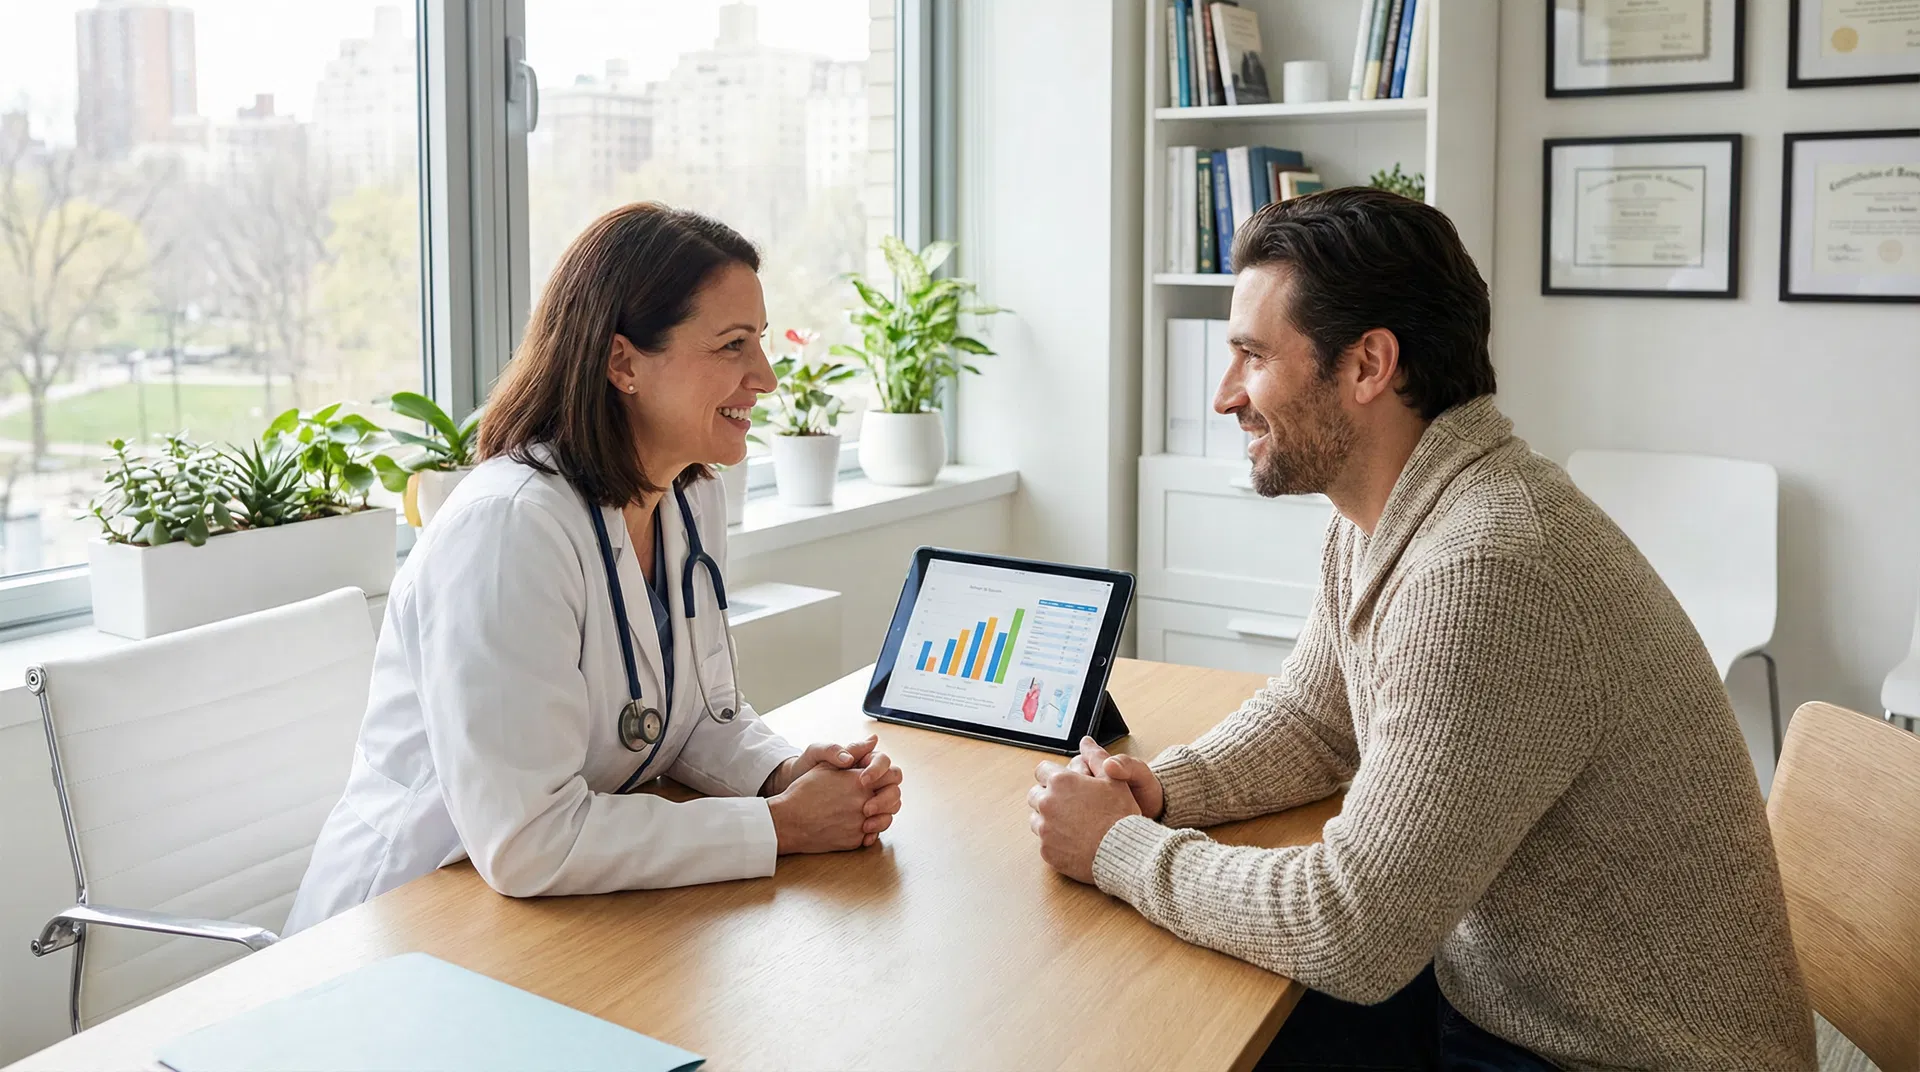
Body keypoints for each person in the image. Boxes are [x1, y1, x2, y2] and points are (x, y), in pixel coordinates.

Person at [1025, 188, 1815, 1069]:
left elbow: (1349, 926)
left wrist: (1120, 848)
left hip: (1606, 1054)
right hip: (1497, 996)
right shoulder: (1385, 514)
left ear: (1368, 365)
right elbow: (1317, 721)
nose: (1223, 397)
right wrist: (1162, 792)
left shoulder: (1489, 566)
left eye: (1251, 355)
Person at [287, 204, 903, 933]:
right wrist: (780, 827)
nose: (764, 377)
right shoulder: (510, 530)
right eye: (733, 346)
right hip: (406, 922)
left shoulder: (688, 495)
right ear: (622, 363)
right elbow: (527, 842)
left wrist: (781, 773)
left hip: (551, 914)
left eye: (760, 343)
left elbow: (688, 717)